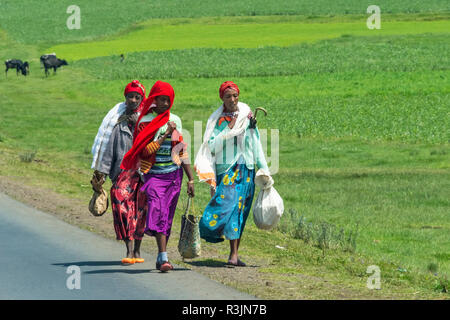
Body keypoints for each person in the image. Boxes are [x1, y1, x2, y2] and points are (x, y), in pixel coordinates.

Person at [121, 80, 195, 272]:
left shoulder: (175, 120)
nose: (164, 103)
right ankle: (163, 257)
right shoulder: (144, 121)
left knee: (168, 217)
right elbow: (145, 152)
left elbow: (180, 150)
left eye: (167, 100)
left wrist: (190, 178)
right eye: (160, 99)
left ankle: (161, 255)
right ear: (153, 99)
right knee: (159, 212)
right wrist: (165, 134)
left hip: (174, 176)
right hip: (152, 176)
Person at [194, 81, 269, 267]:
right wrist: (230, 129)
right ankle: (208, 229)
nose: (232, 100)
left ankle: (234, 253)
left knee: (241, 210)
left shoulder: (247, 115)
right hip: (228, 170)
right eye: (228, 96)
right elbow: (212, 145)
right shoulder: (219, 121)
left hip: (247, 169)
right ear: (222, 98)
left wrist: (264, 168)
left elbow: (256, 143)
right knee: (228, 207)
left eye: (235, 95)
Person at [92, 80, 148, 264]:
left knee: (140, 211)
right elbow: (108, 150)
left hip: (143, 173)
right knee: (121, 204)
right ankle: (129, 249)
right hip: (123, 173)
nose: (133, 100)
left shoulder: (148, 121)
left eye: (136, 97)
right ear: (125, 98)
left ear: (142, 99)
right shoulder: (117, 123)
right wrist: (100, 173)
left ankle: (137, 251)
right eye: (129, 96)